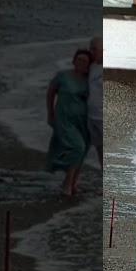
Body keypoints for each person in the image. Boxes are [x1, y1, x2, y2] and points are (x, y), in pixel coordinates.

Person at [46, 49, 92, 196]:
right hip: (64, 119)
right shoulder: (63, 76)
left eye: (85, 62)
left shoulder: (90, 79)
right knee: (78, 147)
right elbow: (51, 92)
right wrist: (50, 113)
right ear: (73, 61)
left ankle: (73, 183)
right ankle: (67, 184)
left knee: (82, 151)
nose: (81, 63)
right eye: (79, 60)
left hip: (84, 120)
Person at [88, 36, 103, 169]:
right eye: (91, 49)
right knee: (99, 149)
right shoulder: (92, 66)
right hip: (91, 116)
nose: (92, 52)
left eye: (94, 49)